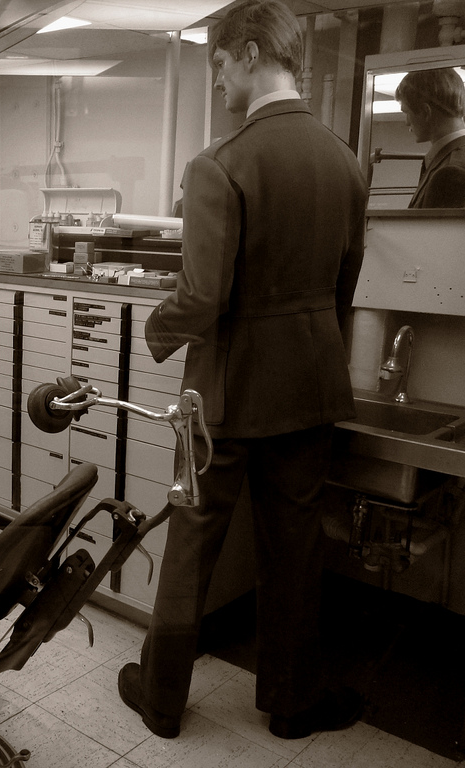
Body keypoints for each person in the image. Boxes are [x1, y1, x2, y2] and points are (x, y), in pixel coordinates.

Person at [116, 0, 367, 741]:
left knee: (192, 541)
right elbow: (345, 288)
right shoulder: (346, 162)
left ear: (251, 52)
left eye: (220, 64)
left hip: (224, 394)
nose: (219, 80)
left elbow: (202, 297)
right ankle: (292, 704)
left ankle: (162, 699)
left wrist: (153, 333)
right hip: (310, 388)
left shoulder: (219, 164)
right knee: (294, 549)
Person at [395, 67, 465, 208]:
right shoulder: (452, 160)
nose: (406, 122)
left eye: (406, 112)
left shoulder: (450, 173)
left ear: (425, 112)